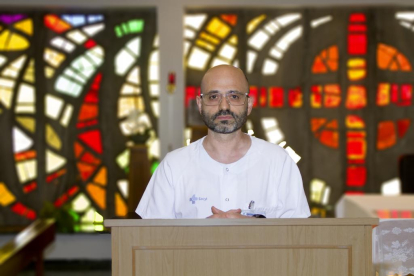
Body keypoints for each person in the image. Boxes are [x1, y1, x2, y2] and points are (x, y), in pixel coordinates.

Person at [136, 65, 310, 219]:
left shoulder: (279, 162)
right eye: (213, 97)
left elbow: (298, 238)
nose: (224, 106)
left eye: (234, 96)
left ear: (248, 104)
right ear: (200, 104)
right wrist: (203, 234)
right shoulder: (173, 166)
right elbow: (151, 241)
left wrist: (253, 231)